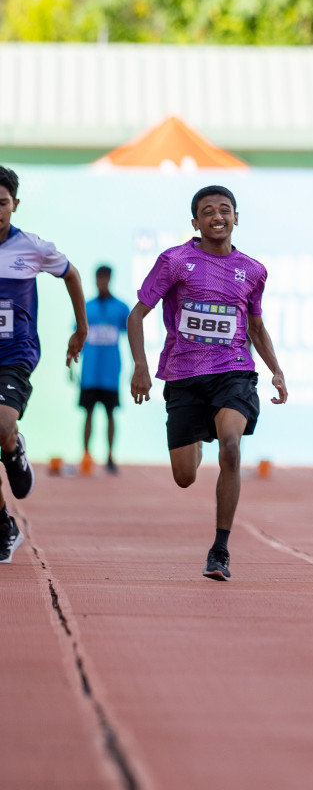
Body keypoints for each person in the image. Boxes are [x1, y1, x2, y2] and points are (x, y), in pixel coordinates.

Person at [127, 185, 288, 581]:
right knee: (184, 477)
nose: (218, 216)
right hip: (183, 377)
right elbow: (136, 317)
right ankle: (198, 433)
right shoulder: (176, 261)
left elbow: (255, 325)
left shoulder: (253, 270)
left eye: (225, 209)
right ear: (196, 222)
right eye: (208, 211)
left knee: (232, 448)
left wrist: (276, 369)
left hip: (233, 371)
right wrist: (141, 366)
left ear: (236, 217)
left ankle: (220, 550)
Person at [0, 165, 87, 563]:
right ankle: (5, 525)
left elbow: (71, 275)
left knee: (2, 424)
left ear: (14, 205)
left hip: (15, 354)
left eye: (2, 203)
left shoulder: (31, 247)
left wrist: (80, 329)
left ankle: (13, 447)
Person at [74, 265, 131, 475]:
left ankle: (109, 456)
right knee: (87, 414)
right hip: (89, 373)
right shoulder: (86, 307)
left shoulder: (121, 308)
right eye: (99, 278)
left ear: (110, 279)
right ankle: (86, 454)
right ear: (95, 279)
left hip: (110, 373)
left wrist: (137, 366)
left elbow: (131, 335)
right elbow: (76, 337)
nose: (102, 282)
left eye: (105, 278)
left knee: (110, 413)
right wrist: (72, 364)